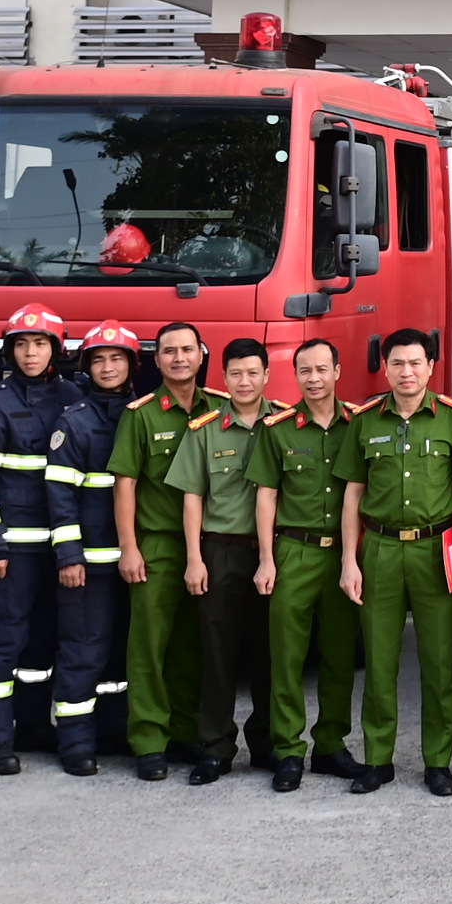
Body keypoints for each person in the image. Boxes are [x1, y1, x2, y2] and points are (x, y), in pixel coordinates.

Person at [333, 328, 452, 795]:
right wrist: (350, 562)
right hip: (381, 549)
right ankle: (378, 759)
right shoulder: (365, 421)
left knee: (438, 661)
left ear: (431, 367)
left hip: (435, 548)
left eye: (416, 363)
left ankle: (438, 761)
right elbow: (353, 495)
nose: (407, 372)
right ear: (386, 368)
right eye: (398, 363)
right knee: (380, 658)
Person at [244, 336, 362, 792]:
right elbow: (266, 496)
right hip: (294, 549)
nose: (313, 379)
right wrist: (266, 559)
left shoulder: (359, 424)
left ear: (337, 370)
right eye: (304, 372)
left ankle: (331, 745)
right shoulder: (278, 428)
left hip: (344, 553)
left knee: (339, 655)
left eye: (321, 369)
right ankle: (288, 750)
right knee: (287, 656)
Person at [0, 305, 80, 777]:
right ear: (9, 350)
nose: (30, 353)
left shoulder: (74, 397)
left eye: (40, 344)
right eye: (21, 344)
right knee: (1, 642)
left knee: (43, 644)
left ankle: (33, 725)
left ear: (55, 349)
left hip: (57, 547)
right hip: (11, 549)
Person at [169, 335, 277, 784]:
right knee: (217, 654)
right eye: (235, 373)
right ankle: (214, 747)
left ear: (267, 375)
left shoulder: (286, 424)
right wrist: (195, 558)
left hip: (274, 552)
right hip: (220, 551)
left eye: (253, 372)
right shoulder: (207, 429)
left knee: (272, 653)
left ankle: (269, 743)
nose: (245, 381)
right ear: (224, 378)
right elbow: (193, 498)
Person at [109, 319, 213, 781]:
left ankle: (183, 732)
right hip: (157, 545)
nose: (179, 358)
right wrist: (128, 547)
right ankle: (150, 740)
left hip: (210, 547)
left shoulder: (221, 409)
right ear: (158, 361)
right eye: (169, 351)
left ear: (201, 354)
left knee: (192, 647)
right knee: (149, 646)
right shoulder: (142, 414)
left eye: (187, 350)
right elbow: (124, 486)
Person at [41, 323, 138, 776]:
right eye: (98, 360)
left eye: (116, 359)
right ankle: (76, 741)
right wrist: (69, 555)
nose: (107, 367)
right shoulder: (74, 421)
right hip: (88, 563)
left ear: (131, 365)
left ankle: (113, 731)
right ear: (85, 367)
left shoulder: (140, 415)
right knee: (83, 650)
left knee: (120, 653)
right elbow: (60, 495)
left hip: (133, 561)